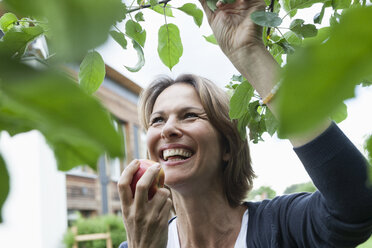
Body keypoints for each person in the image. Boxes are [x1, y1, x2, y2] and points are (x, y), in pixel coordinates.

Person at [117, 0, 372, 247]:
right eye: (157, 120)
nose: (169, 129)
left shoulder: (281, 225)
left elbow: (355, 204)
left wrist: (249, 52)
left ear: (227, 146)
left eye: (190, 115)